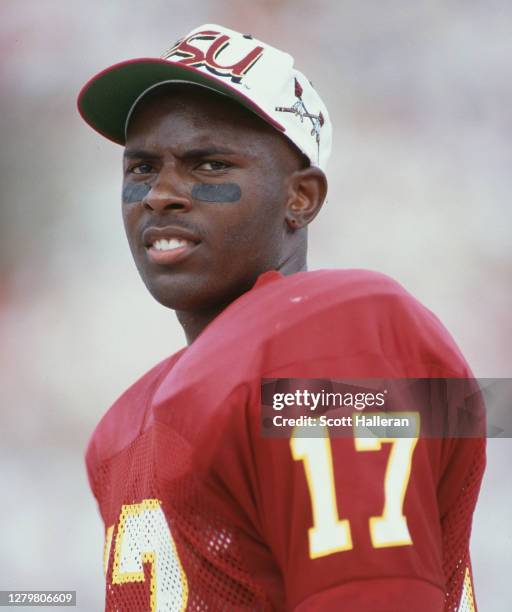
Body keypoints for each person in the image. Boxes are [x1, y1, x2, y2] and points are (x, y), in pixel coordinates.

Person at [78, 24, 485, 611]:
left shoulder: (333, 333)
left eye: (209, 165)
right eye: (141, 168)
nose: (159, 194)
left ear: (301, 198)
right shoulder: (119, 428)